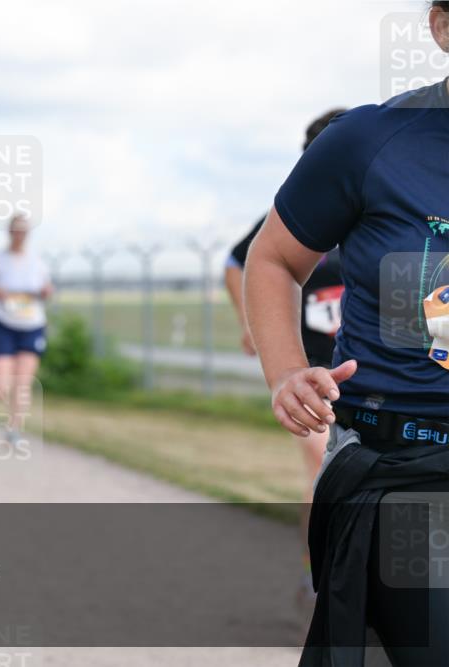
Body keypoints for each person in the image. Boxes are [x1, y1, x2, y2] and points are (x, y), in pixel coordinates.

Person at [245, 6, 448, 663]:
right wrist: (285, 369)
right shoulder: (371, 140)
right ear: (441, 25)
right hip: (407, 475)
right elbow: (272, 259)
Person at [223, 108, 346, 602]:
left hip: (372, 367)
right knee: (324, 468)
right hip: (311, 366)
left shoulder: (382, 203)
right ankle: (314, 570)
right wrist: (251, 323)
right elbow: (241, 262)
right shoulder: (297, 209)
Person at [0, 214, 52, 444]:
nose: (20, 235)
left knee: (23, 381)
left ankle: (14, 429)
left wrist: (46, 292)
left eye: (24, 231)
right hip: (3, 325)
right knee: (1, 384)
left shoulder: (38, 262)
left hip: (32, 325)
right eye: (16, 230)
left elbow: (47, 288)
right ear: (9, 232)